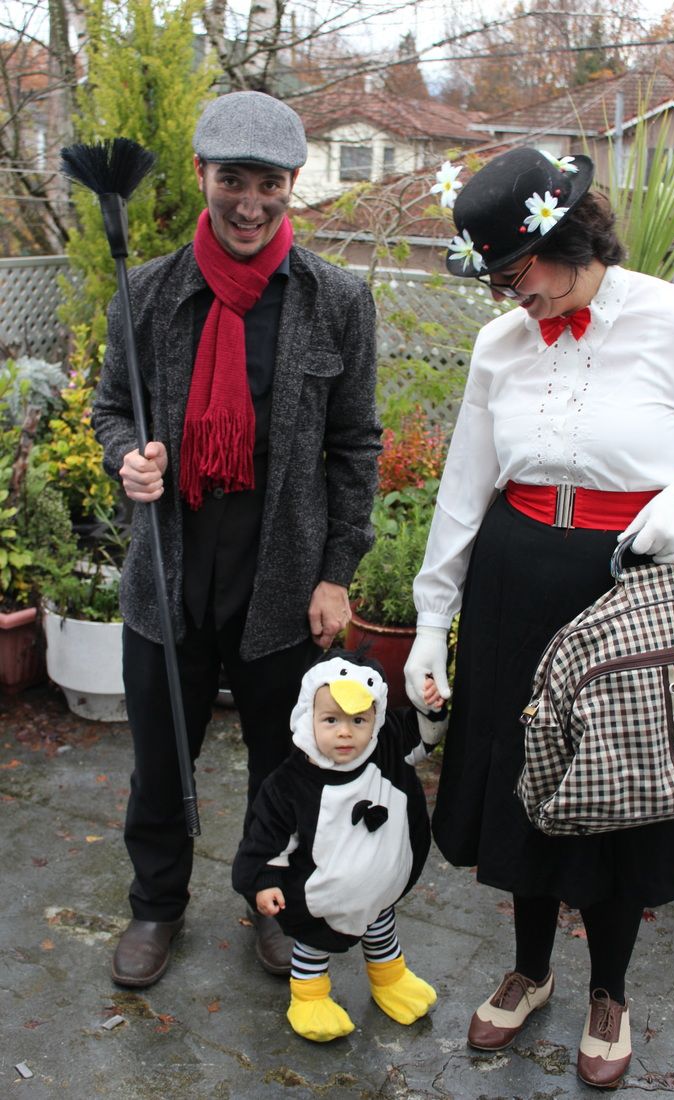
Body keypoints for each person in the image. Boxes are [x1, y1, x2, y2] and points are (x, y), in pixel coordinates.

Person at [403, 147, 674, 1089]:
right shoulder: (498, 346)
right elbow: (464, 488)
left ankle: (611, 989)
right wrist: (432, 623)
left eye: (518, 275)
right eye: (497, 283)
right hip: (515, 588)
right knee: (523, 788)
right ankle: (531, 969)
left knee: (617, 793)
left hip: (627, 592)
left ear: (570, 235)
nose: (513, 299)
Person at [92, 91, 381, 989]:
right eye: (231, 182)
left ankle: (272, 900)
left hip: (281, 577)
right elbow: (110, 408)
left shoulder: (336, 301)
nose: (249, 204)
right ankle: (155, 906)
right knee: (158, 757)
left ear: (293, 184)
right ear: (200, 179)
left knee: (282, 767)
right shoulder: (147, 294)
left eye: (268, 184)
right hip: (168, 574)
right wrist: (125, 461)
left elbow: (354, 445)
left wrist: (337, 573)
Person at [232, 649, 447, 1042]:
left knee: (381, 926)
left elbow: (424, 735)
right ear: (307, 717)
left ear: (376, 720)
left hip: (378, 889)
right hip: (322, 899)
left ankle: (390, 979)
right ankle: (310, 996)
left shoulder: (386, 748)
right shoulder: (288, 785)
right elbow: (265, 838)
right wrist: (263, 881)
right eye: (330, 720)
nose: (345, 732)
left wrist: (429, 705)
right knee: (314, 944)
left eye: (358, 720)